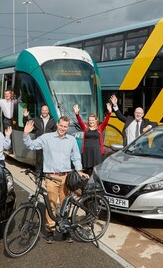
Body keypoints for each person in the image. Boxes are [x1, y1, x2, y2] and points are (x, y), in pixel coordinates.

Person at [23, 116, 88, 244]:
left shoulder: (71, 140)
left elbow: (76, 156)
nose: (63, 128)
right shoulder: (47, 138)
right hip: (51, 177)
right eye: (61, 125)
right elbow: (31, 145)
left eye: (65, 126)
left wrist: (79, 170)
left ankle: (66, 229)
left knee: (66, 204)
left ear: (67, 127)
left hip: (66, 177)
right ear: (57, 124)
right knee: (51, 204)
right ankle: (51, 230)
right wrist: (26, 134)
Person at [73, 102, 112, 175]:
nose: (91, 121)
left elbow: (106, 122)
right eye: (89, 120)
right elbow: (80, 122)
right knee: (88, 170)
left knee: (96, 170)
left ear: (96, 121)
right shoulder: (86, 128)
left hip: (97, 151)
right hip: (87, 151)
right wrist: (77, 114)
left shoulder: (100, 128)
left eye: (92, 120)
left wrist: (109, 113)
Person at [23, 104, 57, 173]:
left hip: (49, 143)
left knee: (48, 159)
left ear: (48, 111)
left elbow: (55, 132)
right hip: (39, 142)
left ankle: (47, 173)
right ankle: (38, 174)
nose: (44, 112)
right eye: (43, 110)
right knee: (39, 159)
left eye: (46, 110)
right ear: (41, 111)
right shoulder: (36, 119)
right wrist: (25, 117)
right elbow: (27, 124)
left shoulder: (53, 120)